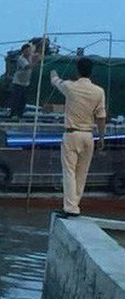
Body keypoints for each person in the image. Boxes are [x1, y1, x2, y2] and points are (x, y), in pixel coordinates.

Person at [50, 57, 106, 218]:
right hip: (88, 136)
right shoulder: (99, 91)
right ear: (91, 72)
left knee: (69, 171)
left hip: (71, 134)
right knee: (82, 173)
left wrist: (53, 73)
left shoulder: (70, 87)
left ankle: (70, 207)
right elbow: (101, 117)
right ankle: (75, 204)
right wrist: (101, 137)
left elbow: (56, 81)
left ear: (77, 71)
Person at [9, 43, 41, 118]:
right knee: (16, 99)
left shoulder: (30, 55)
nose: (28, 52)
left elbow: (36, 53)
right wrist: (37, 61)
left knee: (23, 100)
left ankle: (20, 115)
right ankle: (12, 114)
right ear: (23, 51)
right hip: (18, 82)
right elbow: (28, 67)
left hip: (25, 83)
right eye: (27, 50)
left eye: (29, 50)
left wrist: (38, 54)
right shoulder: (21, 59)